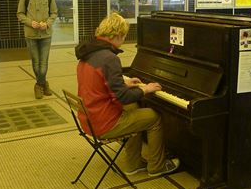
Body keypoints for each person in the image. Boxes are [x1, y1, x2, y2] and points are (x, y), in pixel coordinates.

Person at [74, 12, 180, 177]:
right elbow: (123, 97)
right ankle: (156, 166)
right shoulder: (109, 58)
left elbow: (100, 84)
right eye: (123, 37)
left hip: (88, 117)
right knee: (154, 117)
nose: (123, 40)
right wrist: (146, 89)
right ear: (116, 36)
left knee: (133, 108)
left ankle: (133, 163)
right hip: (103, 123)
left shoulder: (88, 53)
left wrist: (124, 84)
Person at [17, 0, 58, 99]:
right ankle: (43, 84)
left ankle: (39, 85)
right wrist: (30, 23)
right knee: (36, 62)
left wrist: (48, 23)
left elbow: (54, 13)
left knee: (43, 63)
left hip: (46, 34)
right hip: (31, 35)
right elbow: (20, 14)